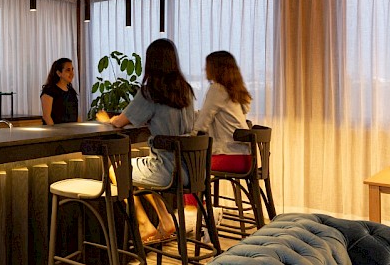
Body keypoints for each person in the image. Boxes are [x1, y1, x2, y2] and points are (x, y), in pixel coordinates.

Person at [99, 39, 194, 240]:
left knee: (116, 170)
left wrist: (108, 120)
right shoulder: (186, 90)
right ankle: (165, 219)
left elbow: (120, 122)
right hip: (190, 170)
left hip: (166, 171)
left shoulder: (151, 92)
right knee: (139, 170)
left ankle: (144, 224)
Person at [194, 51, 252, 174]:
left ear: (215, 69)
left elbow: (203, 122)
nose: (204, 69)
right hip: (246, 158)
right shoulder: (236, 91)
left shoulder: (217, 89)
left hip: (229, 157)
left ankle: (189, 190)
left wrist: (190, 138)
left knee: (189, 163)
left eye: (207, 66)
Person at [40, 58, 79, 125]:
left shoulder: (72, 92)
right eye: (68, 70)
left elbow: (75, 116)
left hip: (72, 130)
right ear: (59, 73)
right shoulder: (49, 91)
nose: (72, 73)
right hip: (55, 131)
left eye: (72, 70)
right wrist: (56, 131)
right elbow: (47, 117)